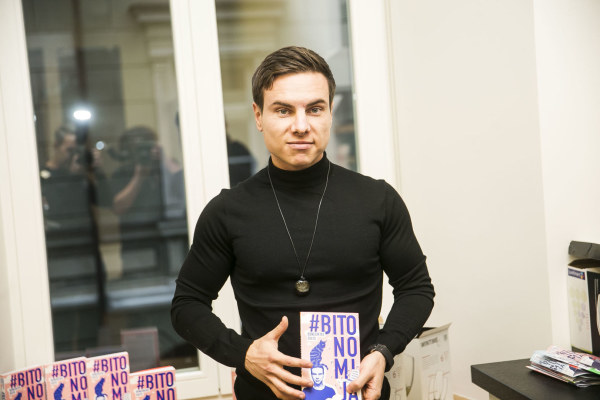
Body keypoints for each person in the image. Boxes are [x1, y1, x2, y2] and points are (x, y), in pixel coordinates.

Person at [171, 46, 435, 400]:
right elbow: (187, 304)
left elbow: (416, 288)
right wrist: (243, 354)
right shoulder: (227, 211)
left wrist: (383, 352)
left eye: (314, 109)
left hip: (358, 393)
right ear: (259, 116)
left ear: (329, 113)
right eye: (283, 110)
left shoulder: (378, 200)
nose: (300, 125)